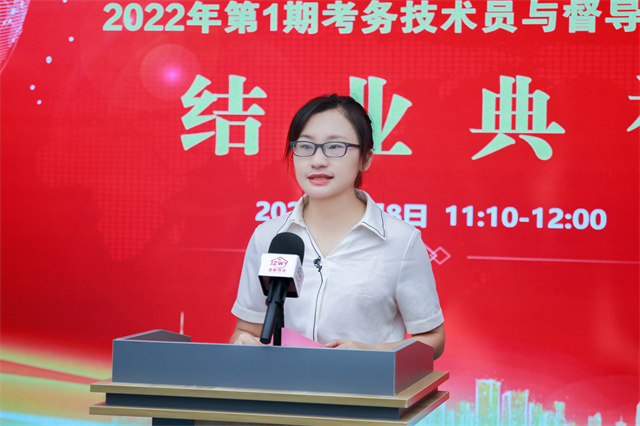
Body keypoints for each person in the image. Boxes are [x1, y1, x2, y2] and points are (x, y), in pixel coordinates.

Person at [230, 94, 445, 359]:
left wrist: (371, 352)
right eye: (305, 146)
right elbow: (246, 330)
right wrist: (243, 343)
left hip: (365, 384)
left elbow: (433, 339)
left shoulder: (400, 240)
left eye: (335, 147)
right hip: (284, 384)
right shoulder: (270, 237)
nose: (317, 161)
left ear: (365, 158)